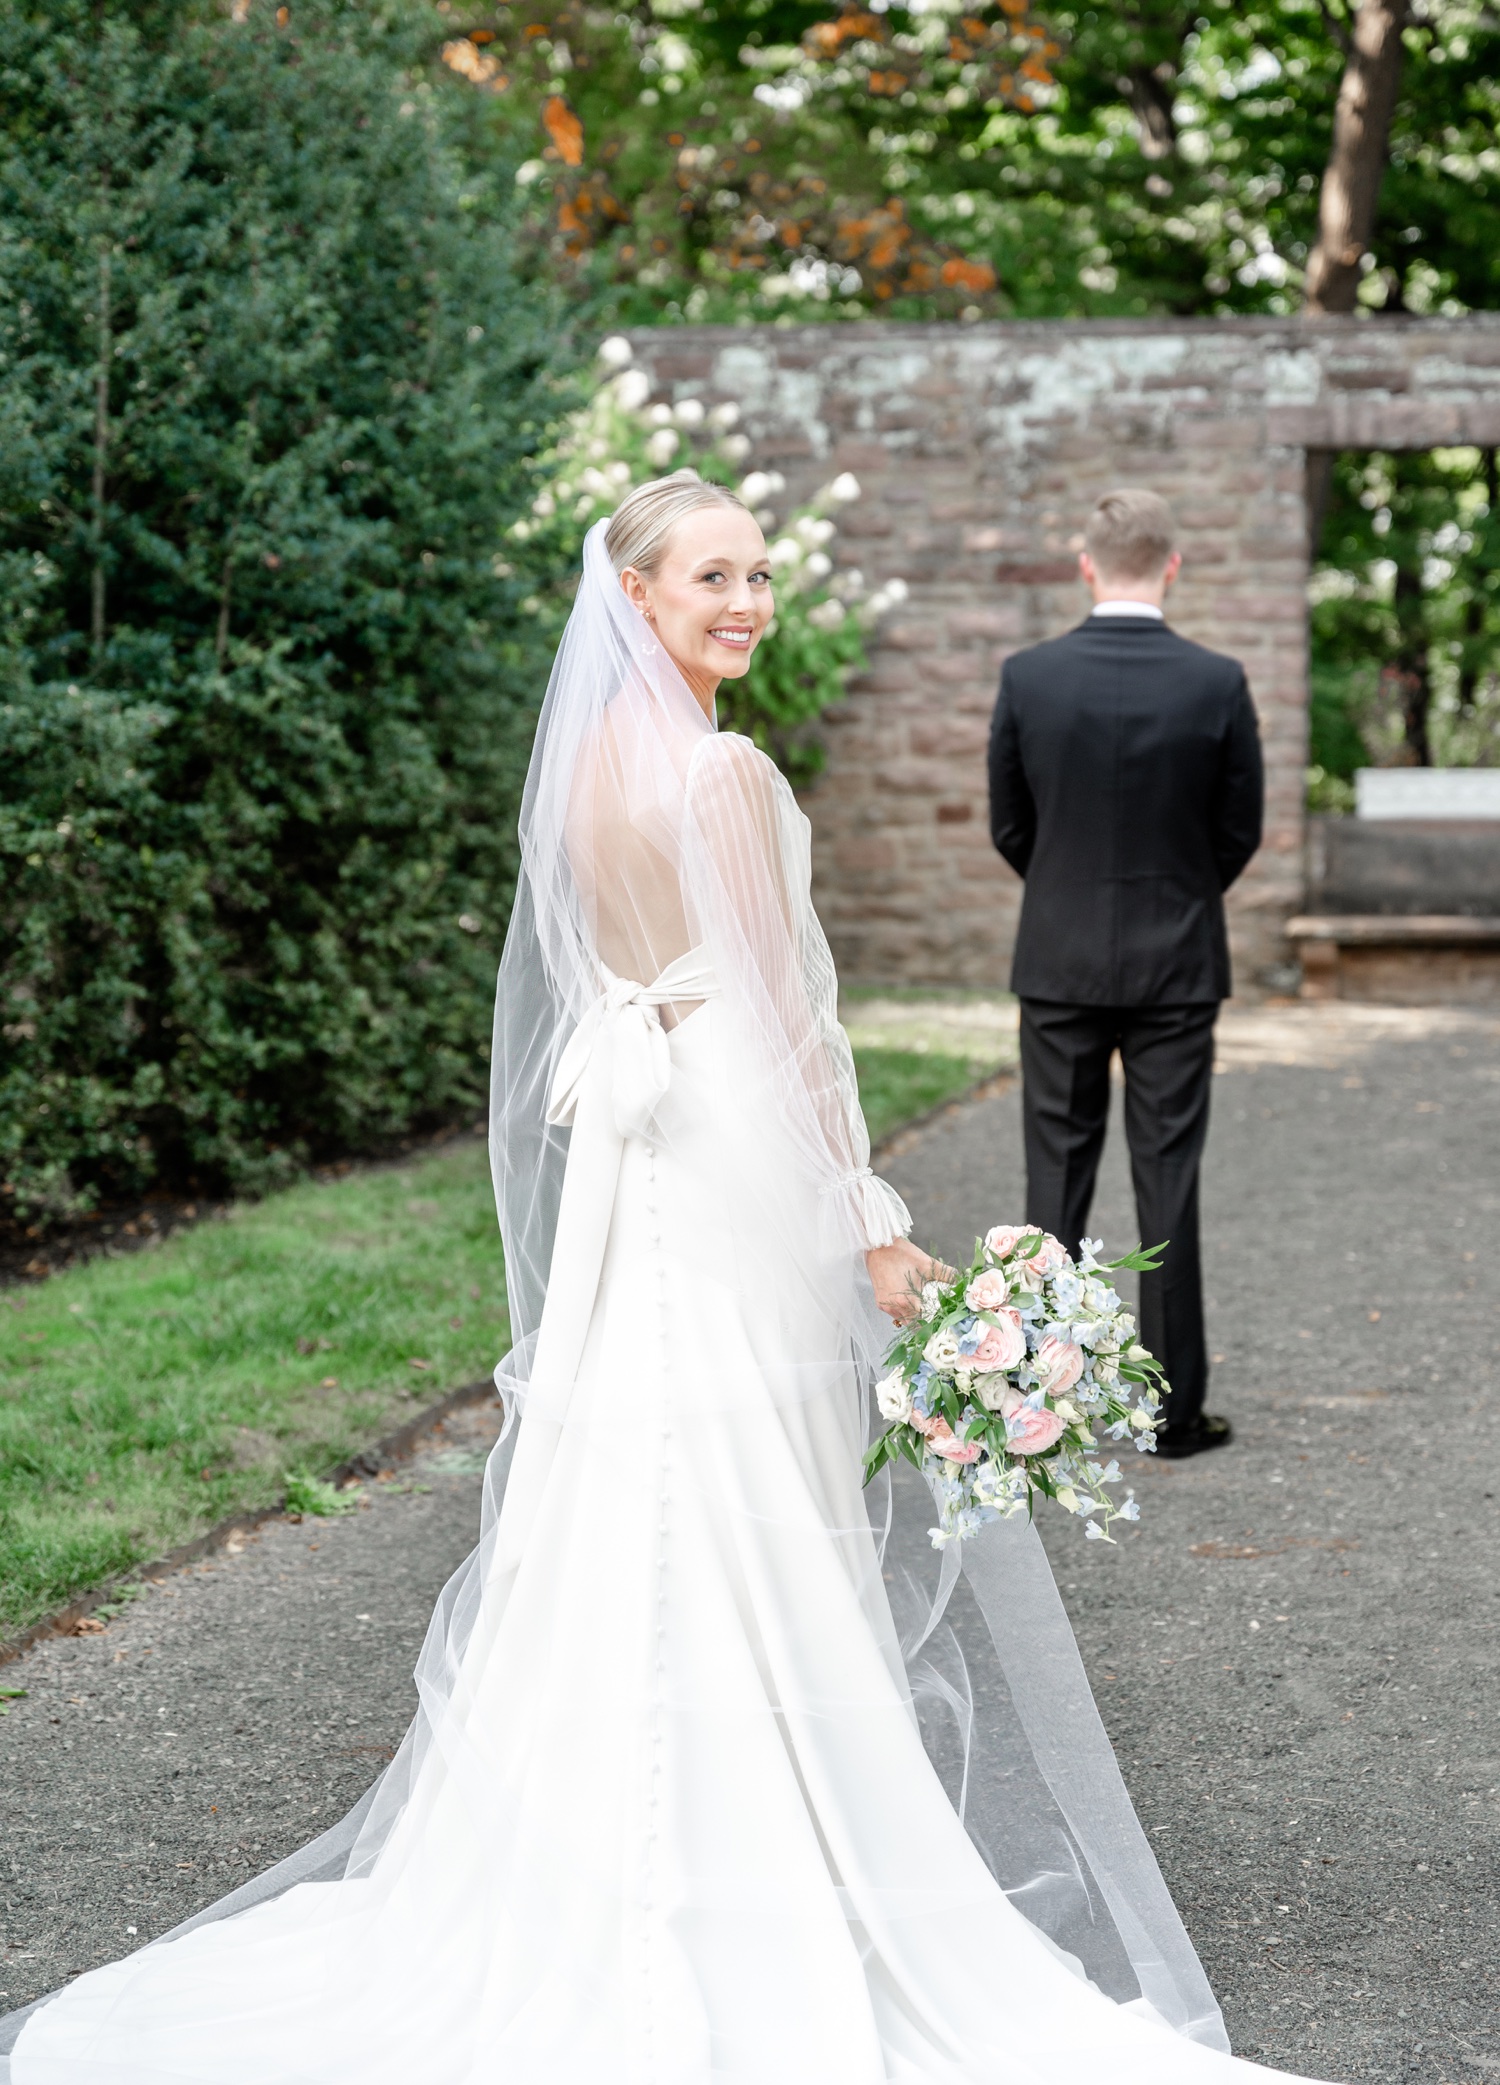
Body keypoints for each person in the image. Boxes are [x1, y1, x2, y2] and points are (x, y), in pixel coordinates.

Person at [5, 473, 1324, 2084]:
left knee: (635, 1472)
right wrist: (870, 1218)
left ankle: (590, 1873)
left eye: (761, 571)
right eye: (714, 576)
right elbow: (792, 1017)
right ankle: (765, 1872)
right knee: (746, 1479)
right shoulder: (722, 775)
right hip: (725, 1150)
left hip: (645, 1162)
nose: (750, 601)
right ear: (636, 595)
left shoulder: (582, 780)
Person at [987, 488, 1264, 1461]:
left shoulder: (1029, 676)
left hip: (1058, 961)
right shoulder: (1217, 682)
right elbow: (1239, 831)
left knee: (1052, 1181)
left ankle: (1031, 1409)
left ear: (1086, 563)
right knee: (1168, 1182)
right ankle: (1173, 1414)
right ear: (1173, 565)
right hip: (1180, 965)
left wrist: (1066, 894)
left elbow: (1011, 826)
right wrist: (1181, 897)